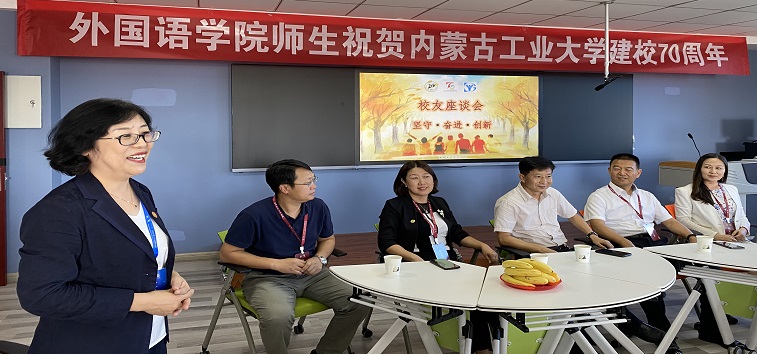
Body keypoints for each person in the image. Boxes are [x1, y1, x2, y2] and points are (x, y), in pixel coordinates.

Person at [17, 98, 193, 354]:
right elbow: (42, 295)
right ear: (86, 146)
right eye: (126, 136)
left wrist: (169, 275)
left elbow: (135, 254)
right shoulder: (59, 210)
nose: (142, 144)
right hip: (89, 344)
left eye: (145, 134)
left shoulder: (140, 192)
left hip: (149, 338)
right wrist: (143, 302)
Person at [220, 159, 367, 354]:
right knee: (277, 317)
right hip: (267, 278)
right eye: (307, 182)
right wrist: (276, 264)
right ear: (285, 188)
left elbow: (328, 239)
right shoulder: (254, 215)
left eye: (314, 180)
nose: (314, 186)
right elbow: (227, 253)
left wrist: (320, 258)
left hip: (313, 274)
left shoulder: (318, 207)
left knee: (360, 301)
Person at [378, 160, 498, 354]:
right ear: (404, 182)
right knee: (471, 299)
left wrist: (481, 245)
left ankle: (495, 343)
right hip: (416, 264)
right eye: (414, 178)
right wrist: (415, 260)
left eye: (426, 177)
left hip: (448, 262)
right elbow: (386, 242)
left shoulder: (439, 203)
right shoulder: (395, 206)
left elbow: (456, 233)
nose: (422, 182)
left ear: (433, 180)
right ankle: (482, 349)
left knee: (486, 295)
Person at [584, 153, 694, 354]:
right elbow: (597, 226)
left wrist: (690, 236)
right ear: (609, 171)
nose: (622, 173)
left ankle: (649, 327)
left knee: (692, 265)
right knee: (649, 277)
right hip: (620, 244)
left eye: (628, 169)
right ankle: (661, 330)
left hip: (651, 241)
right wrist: (624, 243)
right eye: (617, 168)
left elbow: (669, 221)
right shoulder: (599, 196)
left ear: (638, 173)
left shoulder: (647, 196)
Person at [674, 153, 757, 340]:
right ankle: (714, 324)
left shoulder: (731, 189)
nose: (713, 171)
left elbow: (742, 216)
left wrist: (743, 229)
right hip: (708, 244)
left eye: (718, 168)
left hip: (736, 242)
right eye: (708, 167)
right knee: (718, 275)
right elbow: (683, 220)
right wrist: (715, 235)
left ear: (724, 171)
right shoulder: (685, 191)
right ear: (699, 169)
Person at [494, 156, 613, 254]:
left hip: (561, 249)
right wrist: (540, 250)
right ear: (522, 177)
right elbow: (504, 238)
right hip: (532, 253)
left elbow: (573, 216)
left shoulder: (552, 193)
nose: (544, 182)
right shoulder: (508, 202)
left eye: (548, 176)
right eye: (538, 177)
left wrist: (592, 235)